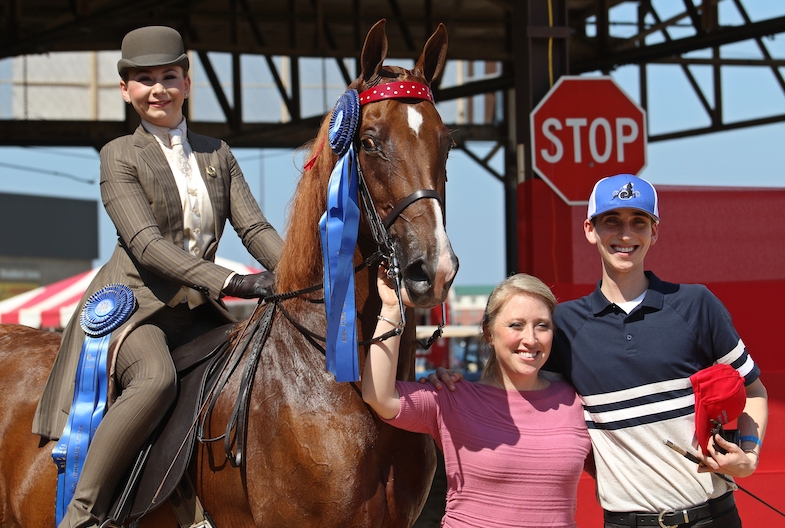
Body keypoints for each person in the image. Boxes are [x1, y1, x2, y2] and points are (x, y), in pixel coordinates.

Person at [31, 26, 284, 528]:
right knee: (155, 380)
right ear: (126, 90)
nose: (158, 89)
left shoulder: (218, 153)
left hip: (195, 312)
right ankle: (81, 514)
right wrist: (233, 283)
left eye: (169, 76)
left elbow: (254, 227)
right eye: (144, 79)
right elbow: (147, 246)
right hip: (133, 308)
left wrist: (303, 271)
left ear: (187, 83)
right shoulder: (118, 155)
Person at [428, 174, 769, 528]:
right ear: (590, 229)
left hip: (712, 518)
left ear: (655, 232)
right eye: (612, 222)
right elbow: (520, 392)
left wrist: (749, 452)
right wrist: (460, 384)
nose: (625, 234)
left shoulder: (697, 305)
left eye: (639, 222)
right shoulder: (564, 326)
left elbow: (754, 390)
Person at [363, 267, 591, 527]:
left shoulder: (576, 400)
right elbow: (379, 395)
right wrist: (392, 309)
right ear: (489, 333)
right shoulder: (454, 397)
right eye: (516, 325)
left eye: (542, 326)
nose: (530, 339)